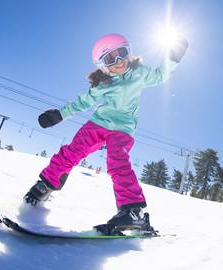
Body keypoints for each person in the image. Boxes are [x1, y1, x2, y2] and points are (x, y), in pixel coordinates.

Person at [23, 33, 188, 230]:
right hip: (98, 123)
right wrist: (59, 114)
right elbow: (83, 102)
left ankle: (133, 211)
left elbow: (160, 75)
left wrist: (173, 58)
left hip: (123, 128)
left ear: (129, 52)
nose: (119, 61)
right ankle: (46, 184)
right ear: (102, 64)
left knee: (118, 162)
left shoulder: (139, 73)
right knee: (72, 151)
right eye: (111, 58)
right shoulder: (103, 83)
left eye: (122, 53)